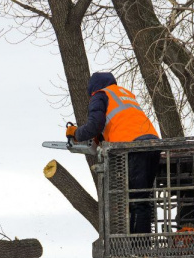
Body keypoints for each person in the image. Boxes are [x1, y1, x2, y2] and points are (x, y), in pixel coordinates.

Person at [66, 72, 161, 234]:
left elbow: (94, 126)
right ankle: (143, 244)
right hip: (153, 144)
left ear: (93, 90)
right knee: (142, 199)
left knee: (135, 201)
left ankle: (138, 246)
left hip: (133, 147)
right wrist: (100, 138)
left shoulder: (100, 95)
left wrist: (76, 133)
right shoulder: (123, 94)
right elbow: (118, 122)